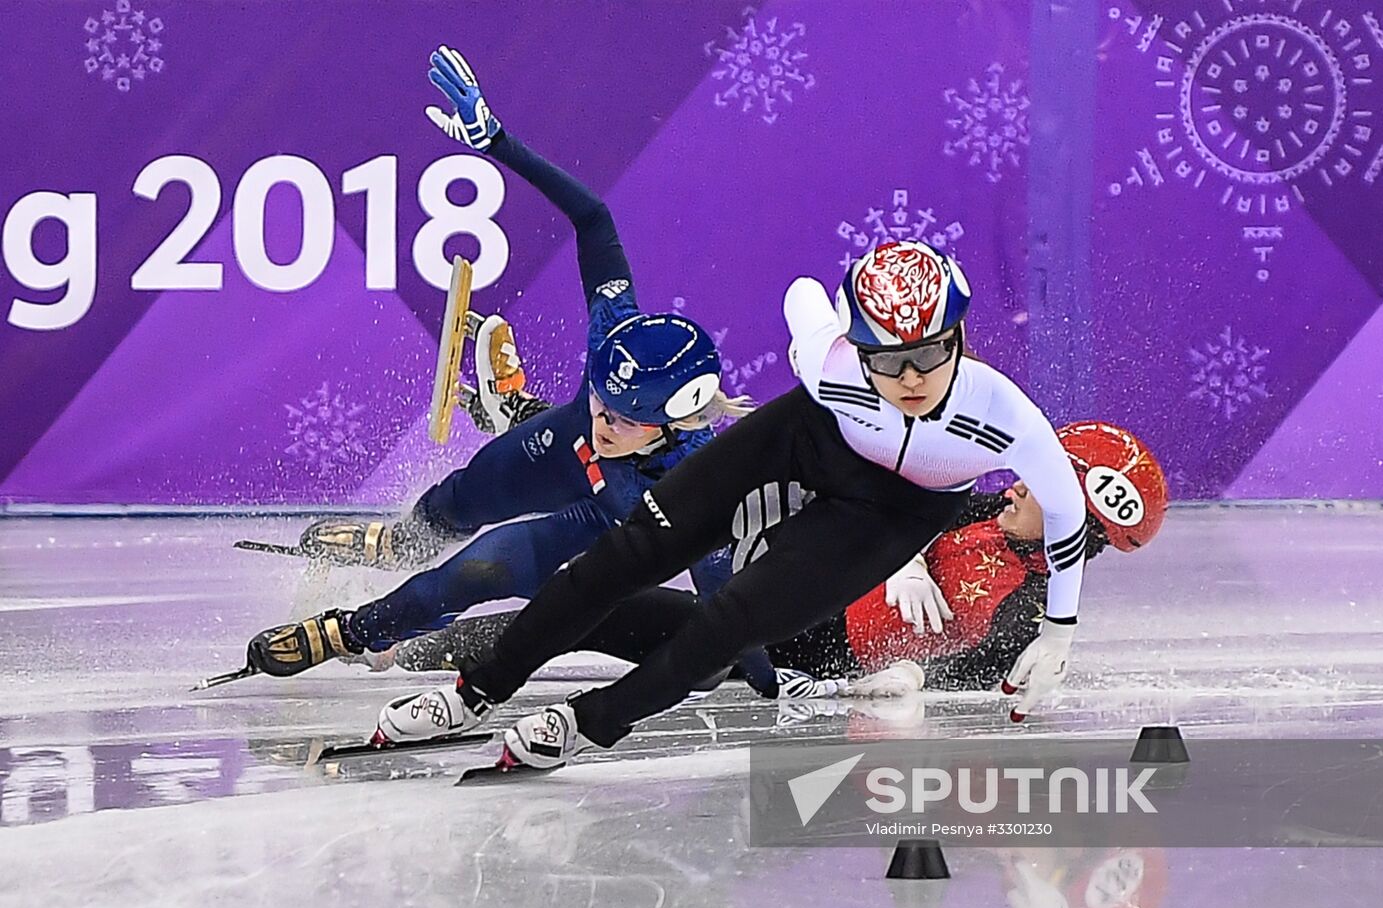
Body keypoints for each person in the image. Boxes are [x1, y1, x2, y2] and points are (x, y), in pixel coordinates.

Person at [376, 236, 1093, 770]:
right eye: (886, 359)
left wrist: (1058, 629)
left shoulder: (1005, 417)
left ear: (960, 338)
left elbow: (1065, 509)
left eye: (930, 355)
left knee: (731, 620)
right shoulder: (829, 361)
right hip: (807, 435)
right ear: (856, 345)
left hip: (892, 511)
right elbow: (802, 295)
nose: (909, 377)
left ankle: (591, 721)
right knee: (627, 554)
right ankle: (480, 688)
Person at [237, 46, 750, 679]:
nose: (604, 419)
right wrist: (497, 141)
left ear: (671, 425)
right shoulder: (612, 336)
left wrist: (778, 678)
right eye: (601, 399)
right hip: (565, 453)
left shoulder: (698, 483)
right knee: (467, 494)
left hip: (603, 524)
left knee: (475, 573)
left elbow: (729, 611)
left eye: (623, 419)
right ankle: (423, 517)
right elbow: (593, 217)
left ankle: (349, 631)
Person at [386, 422, 1168, 709]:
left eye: (1050, 485)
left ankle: (407, 649)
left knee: (608, 612)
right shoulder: (983, 504)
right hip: (795, 560)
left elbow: (952, 677)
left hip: (784, 641)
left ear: (1084, 527)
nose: (1025, 481)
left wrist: (890, 677)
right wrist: (904, 558)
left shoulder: (1028, 619)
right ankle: (595, 444)